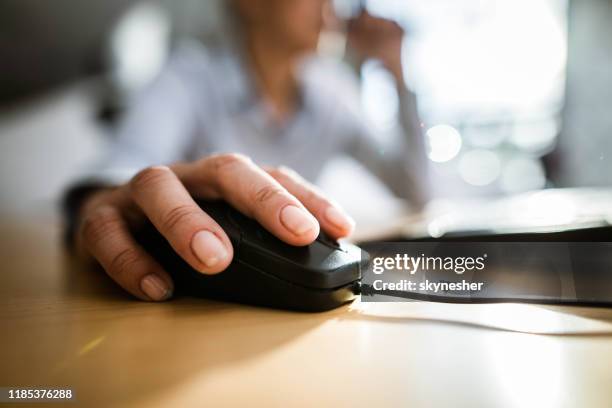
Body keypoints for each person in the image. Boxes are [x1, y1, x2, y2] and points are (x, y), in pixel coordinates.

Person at [65, 0, 429, 302]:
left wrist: (397, 75)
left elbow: (415, 190)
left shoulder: (333, 93)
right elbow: (116, 176)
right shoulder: (187, 77)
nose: (331, 6)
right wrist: (101, 204)